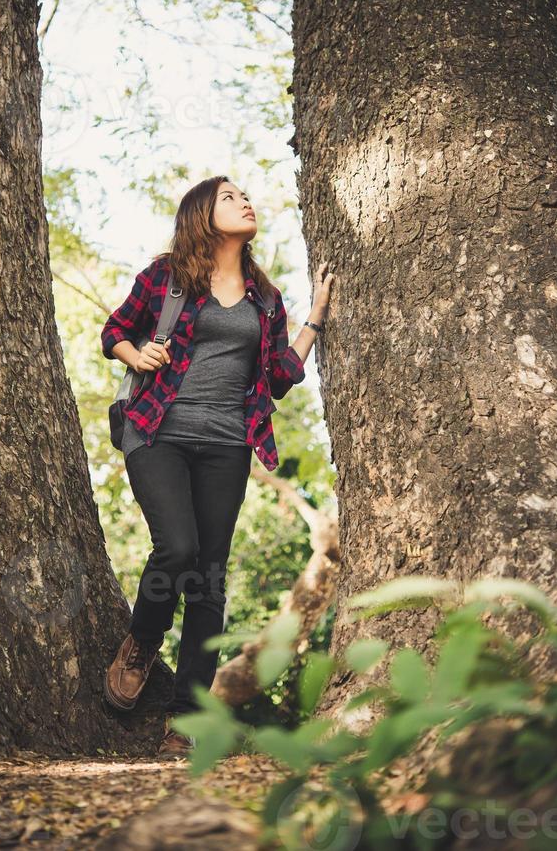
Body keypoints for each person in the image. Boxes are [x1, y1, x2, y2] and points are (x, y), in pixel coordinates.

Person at [100, 175, 334, 758]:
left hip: (228, 444)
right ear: (202, 213)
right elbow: (115, 332)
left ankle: (189, 717)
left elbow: (280, 376)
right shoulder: (166, 276)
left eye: (246, 195)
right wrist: (138, 353)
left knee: (208, 579)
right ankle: (140, 644)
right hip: (157, 430)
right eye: (229, 196)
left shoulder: (264, 298)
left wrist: (315, 318)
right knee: (176, 549)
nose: (245, 201)